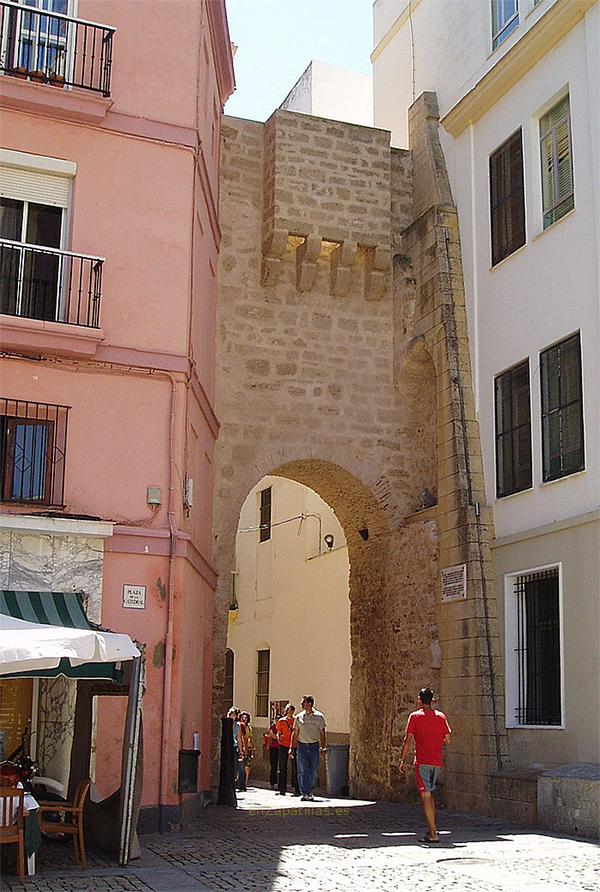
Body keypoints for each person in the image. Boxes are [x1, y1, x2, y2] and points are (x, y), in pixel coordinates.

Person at [398, 687, 452, 844]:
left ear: (419, 700)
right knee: (430, 794)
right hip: (437, 762)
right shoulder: (441, 716)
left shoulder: (415, 717)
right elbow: (448, 739)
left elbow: (408, 740)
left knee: (426, 796)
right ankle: (432, 827)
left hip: (422, 761)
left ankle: (433, 834)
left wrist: (402, 759)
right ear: (433, 700)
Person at [290, 695, 326, 801]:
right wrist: (291, 748)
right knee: (304, 769)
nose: (301, 704)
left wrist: (322, 747)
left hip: (314, 745)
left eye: (303, 702)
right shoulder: (299, 717)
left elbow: (322, 733)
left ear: (309, 704)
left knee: (313, 770)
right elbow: (295, 733)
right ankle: (305, 792)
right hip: (302, 746)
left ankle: (310, 791)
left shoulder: (319, 717)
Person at [276, 703, 299, 796]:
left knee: (295, 767)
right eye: (287, 709)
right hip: (283, 745)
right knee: (282, 767)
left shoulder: (296, 720)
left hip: (294, 745)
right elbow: (278, 732)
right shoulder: (281, 721)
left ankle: (296, 788)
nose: (288, 711)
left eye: (289, 709)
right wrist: (279, 738)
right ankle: (282, 788)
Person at [240, 712, 255, 789]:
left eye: (246, 718)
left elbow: (251, 738)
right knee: (241, 765)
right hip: (241, 747)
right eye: (242, 717)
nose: (244, 719)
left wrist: (253, 748)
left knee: (247, 766)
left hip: (248, 748)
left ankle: (245, 782)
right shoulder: (239, 726)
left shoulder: (249, 728)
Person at [264, 719, 280, 788]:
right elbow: (271, 734)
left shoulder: (282, 725)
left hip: (281, 748)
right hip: (273, 748)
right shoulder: (273, 726)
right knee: (273, 766)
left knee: (281, 766)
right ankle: (273, 782)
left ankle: (280, 783)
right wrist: (279, 738)